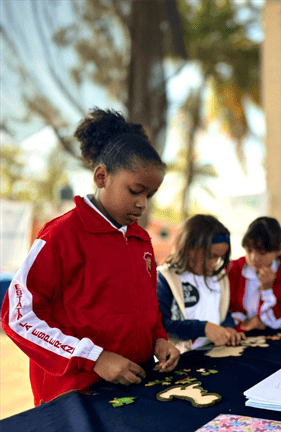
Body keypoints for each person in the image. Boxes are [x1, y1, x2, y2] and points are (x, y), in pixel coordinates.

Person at [0, 108, 180, 406]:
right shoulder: (60, 236)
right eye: (136, 191)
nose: (142, 204)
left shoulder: (140, 239)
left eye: (150, 195)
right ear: (101, 176)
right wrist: (92, 357)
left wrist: (158, 339)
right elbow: (18, 317)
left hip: (133, 388)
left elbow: (147, 308)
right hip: (74, 397)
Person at [157, 214, 245, 353]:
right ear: (190, 248)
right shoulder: (167, 278)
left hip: (214, 351)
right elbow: (161, 325)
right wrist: (202, 328)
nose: (216, 263)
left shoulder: (218, 277)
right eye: (212, 256)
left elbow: (221, 310)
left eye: (220, 257)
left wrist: (229, 327)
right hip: (182, 356)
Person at [228, 217, 281, 331]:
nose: (254, 258)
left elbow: (279, 322)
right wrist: (243, 323)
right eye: (249, 251)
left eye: (262, 252)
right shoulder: (233, 269)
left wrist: (267, 289)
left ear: (279, 250)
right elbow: (224, 309)